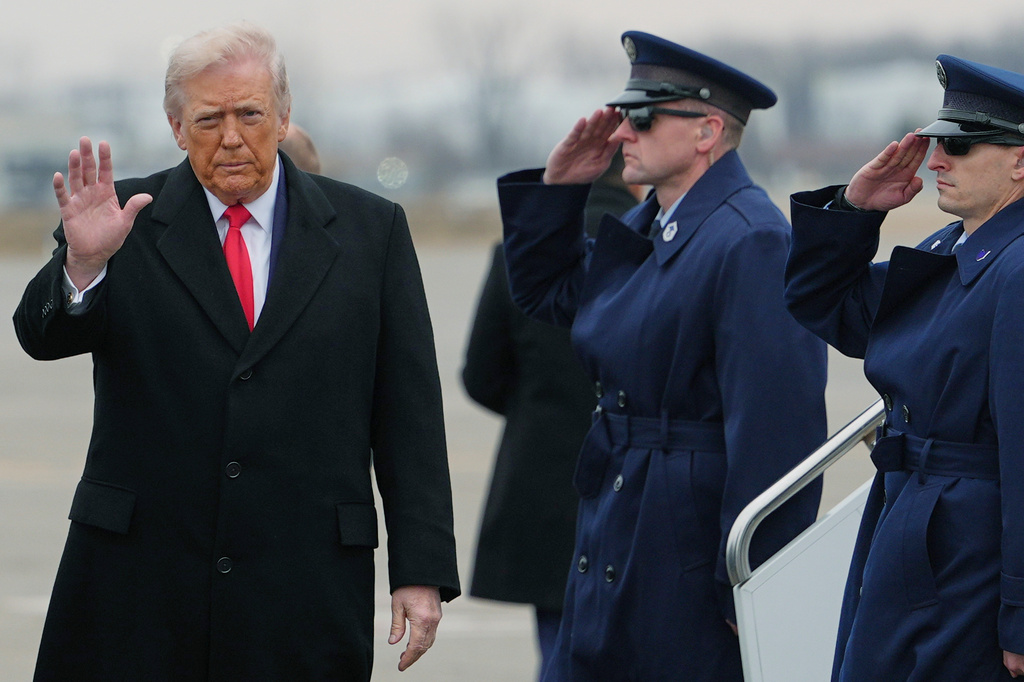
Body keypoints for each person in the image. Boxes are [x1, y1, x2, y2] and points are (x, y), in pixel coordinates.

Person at [12, 22, 459, 681]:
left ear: (282, 117)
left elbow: (409, 414)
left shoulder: (371, 230)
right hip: (138, 585)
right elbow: (40, 336)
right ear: (174, 127)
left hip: (303, 585)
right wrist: (82, 264)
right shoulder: (122, 218)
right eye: (207, 118)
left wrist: (421, 570)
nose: (230, 137)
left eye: (249, 114)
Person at [497, 31, 827, 681]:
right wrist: (558, 190)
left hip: (683, 538)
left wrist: (752, 578)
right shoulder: (653, 227)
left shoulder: (751, 239)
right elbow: (550, 294)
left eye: (642, 117)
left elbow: (778, 435)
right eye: (623, 116)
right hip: (620, 513)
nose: (622, 132)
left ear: (706, 133)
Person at [785, 54, 1024, 681]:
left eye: (960, 147)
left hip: (969, 552)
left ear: (1021, 161)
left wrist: (1021, 611)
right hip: (914, 532)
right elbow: (830, 309)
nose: (936, 160)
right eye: (938, 143)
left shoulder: (1018, 269)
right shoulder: (955, 248)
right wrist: (855, 212)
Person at [462, 154, 638, 679]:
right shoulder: (655, 249)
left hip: (541, 480)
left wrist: (535, 410)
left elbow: (480, 375)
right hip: (635, 475)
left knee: (559, 648)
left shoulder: (520, 253)